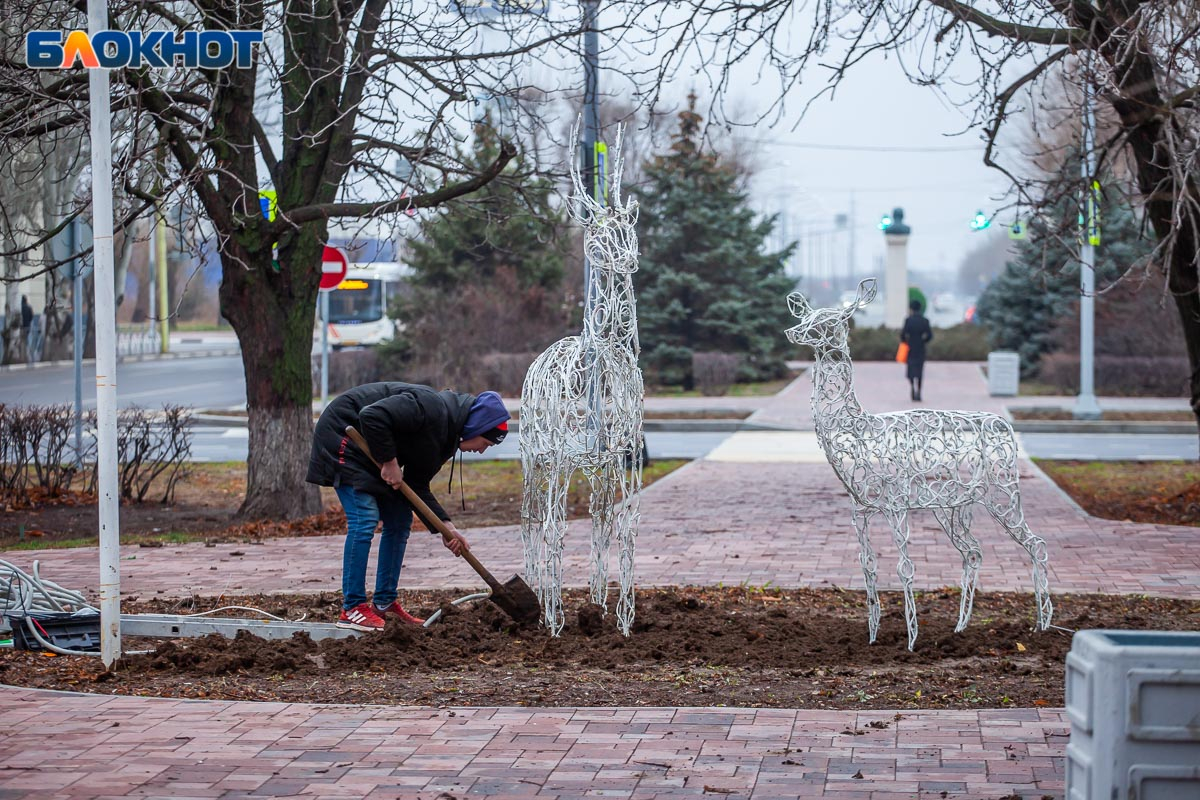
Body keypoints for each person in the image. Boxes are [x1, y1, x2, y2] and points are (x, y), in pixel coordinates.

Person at [306, 383, 510, 631]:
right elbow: (371, 415)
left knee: (400, 519)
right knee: (365, 518)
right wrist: (390, 461)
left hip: (373, 450)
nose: (482, 449)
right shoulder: (430, 407)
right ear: (476, 427)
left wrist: (446, 527)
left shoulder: (446, 438)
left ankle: (384, 603)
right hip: (344, 436)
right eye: (485, 442)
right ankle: (352, 608)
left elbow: (417, 486)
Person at [901, 299, 933, 401]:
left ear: (911, 308)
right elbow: (930, 335)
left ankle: (912, 388)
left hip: (910, 348)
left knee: (911, 370)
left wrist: (906, 342)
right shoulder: (925, 321)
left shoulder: (908, 320)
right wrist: (924, 341)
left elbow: (902, 335)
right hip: (921, 348)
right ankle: (919, 391)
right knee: (919, 371)